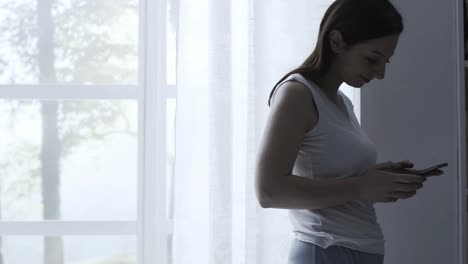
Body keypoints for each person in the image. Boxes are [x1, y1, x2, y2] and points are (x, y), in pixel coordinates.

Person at [254, 0, 444, 263]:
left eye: (386, 62)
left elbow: (337, 177)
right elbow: (269, 191)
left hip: (358, 250)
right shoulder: (296, 94)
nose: (380, 73)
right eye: (372, 59)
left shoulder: (342, 102)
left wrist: (379, 179)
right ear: (337, 41)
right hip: (325, 249)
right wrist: (360, 187)